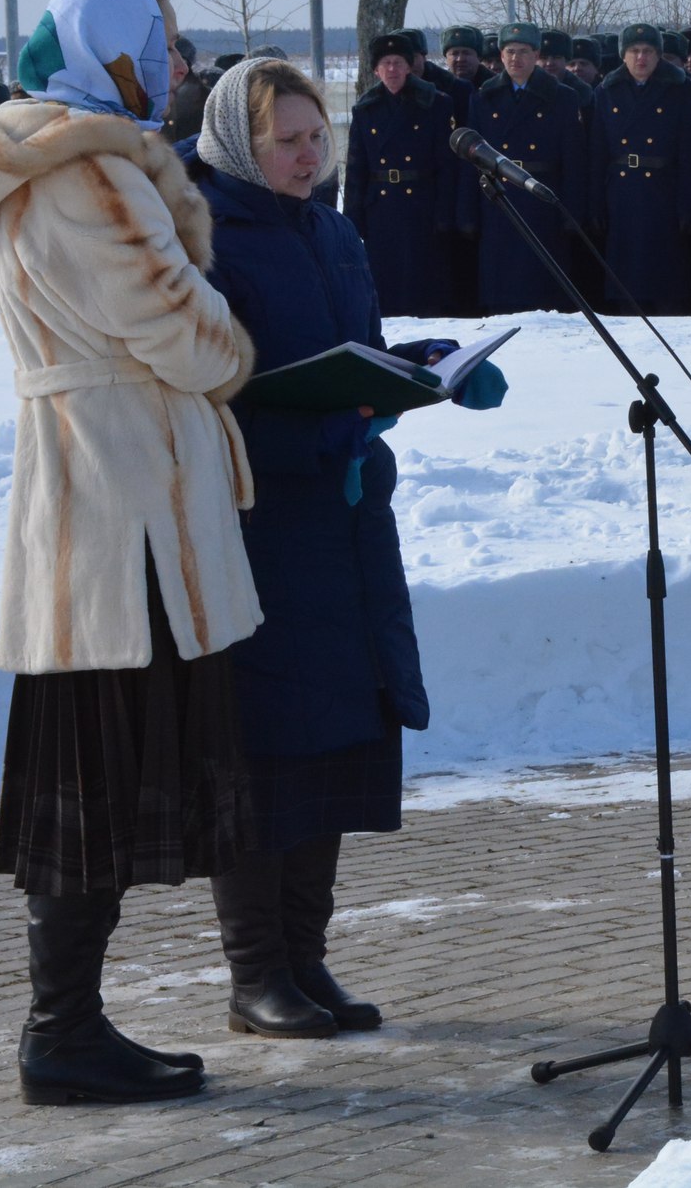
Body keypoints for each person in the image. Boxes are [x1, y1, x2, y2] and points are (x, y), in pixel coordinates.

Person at [0, 0, 263, 1105]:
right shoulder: (91, 175)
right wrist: (230, 345)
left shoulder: (45, 161)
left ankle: (66, 1024)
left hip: (94, 497)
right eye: (156, 42)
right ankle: (59, 1032)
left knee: (97, 775)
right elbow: (185, 332)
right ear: (110, 52)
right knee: (98, 783)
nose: (170, 61)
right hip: (127, 515)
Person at [188, 55, 483, 1040]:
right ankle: (254, 973)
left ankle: (307, 958)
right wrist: (318, 427)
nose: (310, 157)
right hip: (260, 522)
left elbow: (354, 354)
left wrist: (421, 374)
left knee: (336, 739)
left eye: (321, 138)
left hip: (349, 519)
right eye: (289, 141)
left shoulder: (336, 231)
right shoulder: (205, 239)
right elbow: (204, 401)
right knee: (266, 747)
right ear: (242, 141)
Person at [469, 23, 589, 312]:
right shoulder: (484, 97)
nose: (516, 59)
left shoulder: (562, 97)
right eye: (510, 52)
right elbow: (470, 160)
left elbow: (573, 162)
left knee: (543, 285)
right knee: (502, 287)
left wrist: (573, 212)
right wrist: (468, 212)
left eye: (523, 52)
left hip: (542, 197)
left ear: (536, 55)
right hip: (499, 197)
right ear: (501, 55)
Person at [592, 23, 691, 313]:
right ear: (623, 55)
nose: (641, 58)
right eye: (634, 51)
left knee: (665, 280)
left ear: (658, 55)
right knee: (626, 280)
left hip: (664, 191)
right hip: (622, 192)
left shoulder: (682, 89)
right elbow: (596, 151)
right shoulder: (606, 91)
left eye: (648, 51)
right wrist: (595, 204)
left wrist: (688, 204)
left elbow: (690, 152)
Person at [345, 32, 458, 317]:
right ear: (375, 70)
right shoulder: (365, 109)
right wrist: (352, 219)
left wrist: (446, 213)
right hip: (381, 207)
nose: (392, 70)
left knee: (422, 280)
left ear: (409, 66)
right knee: (386, 280)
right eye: (386, 64)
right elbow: (356, 168)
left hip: (422, 202)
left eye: (398, 63)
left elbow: (447, 165)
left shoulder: (435, 103)